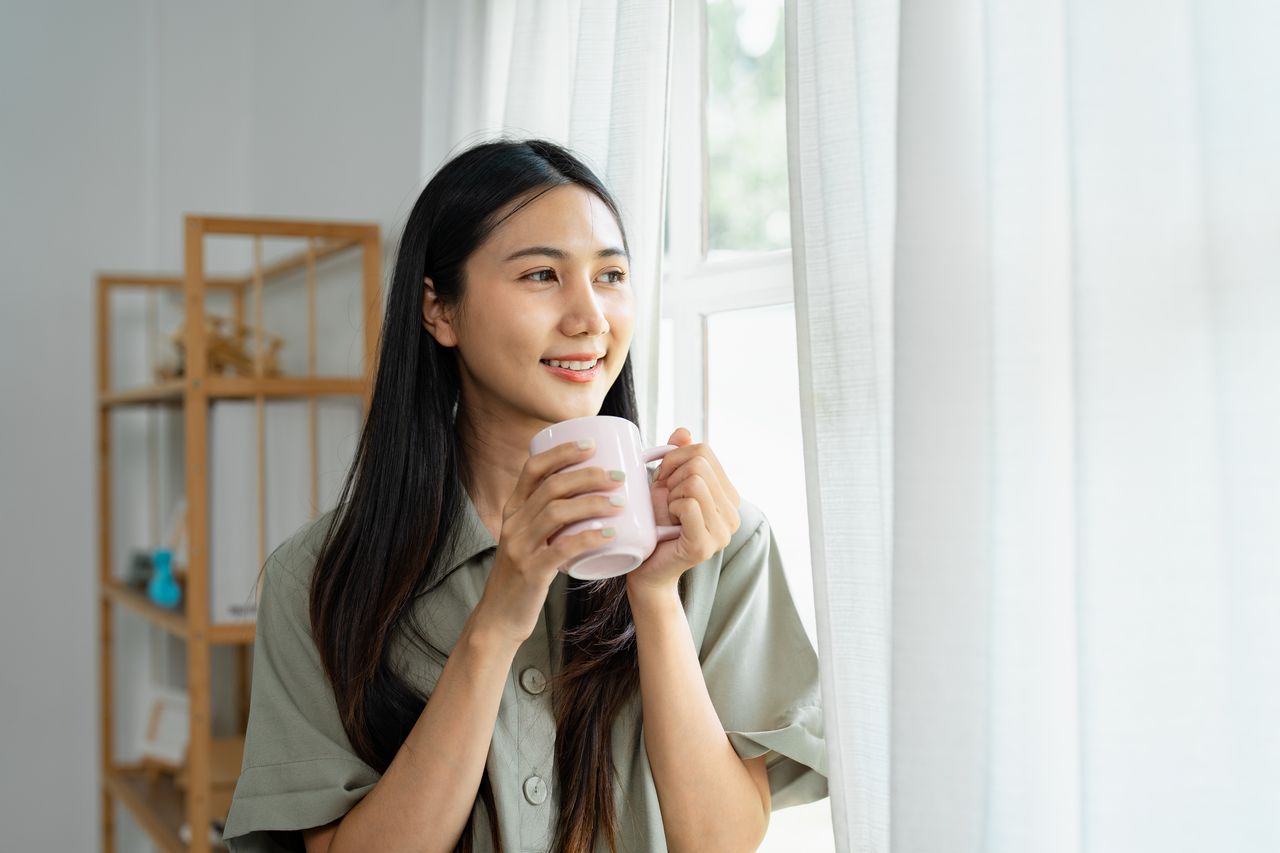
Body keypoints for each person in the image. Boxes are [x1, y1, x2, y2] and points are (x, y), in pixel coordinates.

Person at [221, 137, 827, 853]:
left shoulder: (719, 541)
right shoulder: (319, 577)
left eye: (610, 275)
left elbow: (720, 842)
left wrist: (657, 598)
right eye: (542, 274)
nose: (590, 317)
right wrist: (497, 620)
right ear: (439, 310)